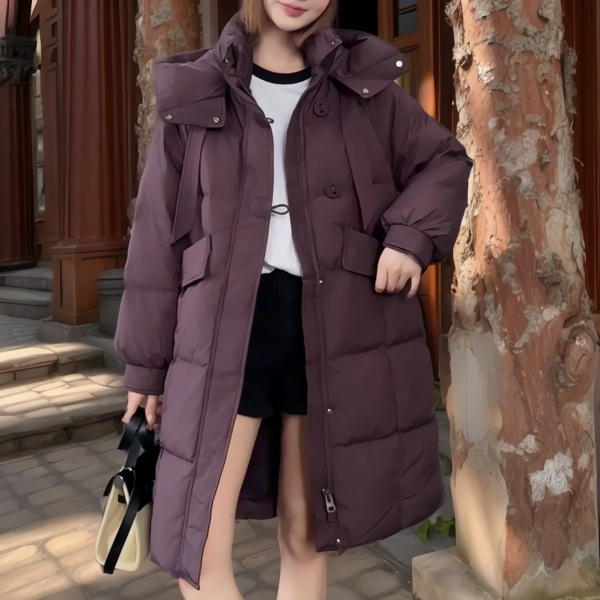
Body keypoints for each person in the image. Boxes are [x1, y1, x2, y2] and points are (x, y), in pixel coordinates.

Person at [115, 0, 471, 598]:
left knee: (308, 533)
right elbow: (155, 236)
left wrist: (409, 239)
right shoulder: (198, 90)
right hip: (225, 333)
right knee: (195, 541)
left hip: (330, 328)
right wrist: (145, 367)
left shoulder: (363, 86)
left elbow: (444, 161)